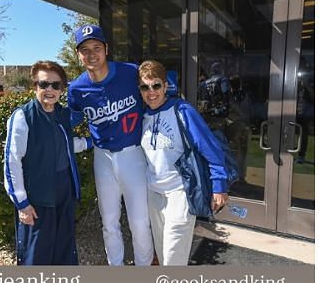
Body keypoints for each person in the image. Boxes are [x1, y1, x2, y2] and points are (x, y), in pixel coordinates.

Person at [67, 24, 154, 267]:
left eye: (96, 47)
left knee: (139, 222)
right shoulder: (76, 88)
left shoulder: (131, 73)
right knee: (109, 221)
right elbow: (70, 120)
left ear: (106, 49)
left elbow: (157, 95)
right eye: (85, 49)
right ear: (78, 55)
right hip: (102, 157)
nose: (91, 54)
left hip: (133, 154)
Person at [137, 60, 230, 266]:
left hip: (180, 193)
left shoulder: (182, 111)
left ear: (165, 86)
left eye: (156, 85)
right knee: (163, 255)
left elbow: (210, 148)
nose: (151, 92)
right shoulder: (143, 116)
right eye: (145, 87)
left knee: (173, 258)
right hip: (153, 194)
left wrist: (219, 185)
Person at [3, 61, 88, 265]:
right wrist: (22, 203)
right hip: (38, 196)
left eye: (55, 85)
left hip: (64, 192)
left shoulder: (62, 114)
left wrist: (90, 142)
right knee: (37, 254)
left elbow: (64, 144)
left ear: (62, 89)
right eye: (43, 84)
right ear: (35, 87)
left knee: (64, 250)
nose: (49, 89)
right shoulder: (23, 116)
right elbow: (12, 161)